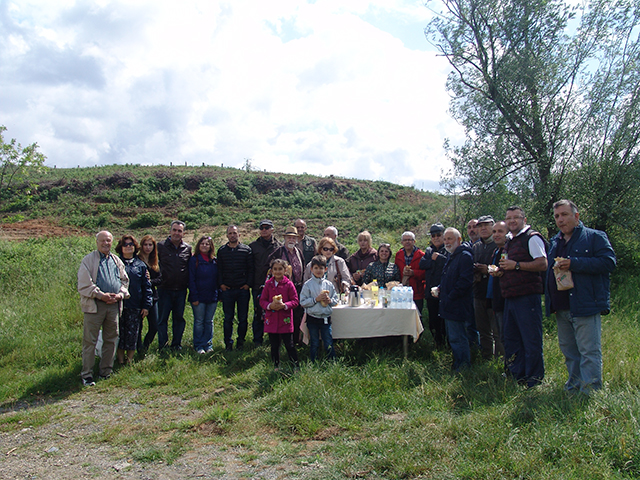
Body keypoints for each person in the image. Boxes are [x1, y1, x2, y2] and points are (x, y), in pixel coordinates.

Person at [545, 200, 616, 393]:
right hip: (562, 305)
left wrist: (574, 263)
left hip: (585, 303)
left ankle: (590, 391)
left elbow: (608, 262)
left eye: (565, 214)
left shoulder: (594, 237)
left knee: (589, 351)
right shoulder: (555, 242)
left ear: (576, 216)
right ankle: (574, 388)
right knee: (569, 351)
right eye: (557, 216)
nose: (561, 219)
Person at [499, 206, 548, 387]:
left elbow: (542, 264)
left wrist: (516, 265)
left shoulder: (532, 238)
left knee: (530, 339)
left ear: (524, 219)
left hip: (527, 297)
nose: (512, 221)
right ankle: (517, 375)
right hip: (510, 296)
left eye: (516, 218)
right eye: (509, 218)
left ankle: (534, 380)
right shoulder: (510, 240)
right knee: (512, 338)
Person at [77, 231, 129, 386]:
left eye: (109, 241)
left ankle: (106, 371)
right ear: (97, 242)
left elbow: (124, 280)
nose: (106, 243)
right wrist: (101, 295)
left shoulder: (116, 260)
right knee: (90, 341)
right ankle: (87, 375)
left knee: (111, 339)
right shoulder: (88, 260)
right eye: (103, 241)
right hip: (95, 305)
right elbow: (84, 284)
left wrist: (120, 295)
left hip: (113, 305)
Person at [434, 228, 474, 370]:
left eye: (450, 239)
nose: (446, 242)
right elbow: (448, 278)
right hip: (448, 303)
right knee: (453, 337)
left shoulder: (464, 256)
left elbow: (464, 282)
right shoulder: (452, 255)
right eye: (445, 239)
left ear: (459, 239)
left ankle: (463, 366)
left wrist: (450, 297)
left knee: (458, 337)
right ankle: (458, 362)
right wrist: (440, 288)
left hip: (457, 304)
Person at [115, 235, 152, 365]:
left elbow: (147, 287)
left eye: (131, 244)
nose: (128, 246)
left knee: (133, 334)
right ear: (121, 248)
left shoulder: (140, 265)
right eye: (125, 244)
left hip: (135, 305)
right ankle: (119, 360)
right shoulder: (115, 263)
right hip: (118, 305)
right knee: (119, 334)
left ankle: (129, 360)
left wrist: (146, 306)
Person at [156, 220, 192, 351]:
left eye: (180, 231)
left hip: (181, 290)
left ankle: (177, 344)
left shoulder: (187, 248)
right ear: (170, 231)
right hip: (164, 289)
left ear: (183, 233)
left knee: (179, 319)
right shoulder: (160, 246)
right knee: (162, 319)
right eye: (175, 230)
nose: (177, 233)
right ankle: (163, 345)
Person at [217, 225, 253, 351]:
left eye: (235, 233)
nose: (232, 235)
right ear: (227, 235)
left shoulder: (246, 250)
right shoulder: (222, 251)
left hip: (242, 290)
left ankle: (241, 342)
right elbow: (219, 269)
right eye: (230, 233)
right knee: (228, 318)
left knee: (243, 318)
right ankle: (228, 343)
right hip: (228, 290)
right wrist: (221, 284)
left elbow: (250, 269)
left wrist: (248, 284)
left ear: (239, 235)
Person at [259, 258, 300, 370]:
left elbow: (295, 301)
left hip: (285, 319)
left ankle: (295, 365)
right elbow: (262, 300)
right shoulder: (268, 284)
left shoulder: (289, 284)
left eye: (280, 269)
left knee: (289, 345)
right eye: (275, 269)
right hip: (272, 320)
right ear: (271, 271)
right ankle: (276, 366)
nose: (277, 272)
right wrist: (269, 306)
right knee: (274, 345)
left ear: (285, 270)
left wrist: (285, 305)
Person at [473, 215, 504, 360]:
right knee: (483, 329)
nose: (483, 228)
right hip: (478, 292)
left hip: (495, 293)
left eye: (486, 225)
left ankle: (500, 359)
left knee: (497, 330)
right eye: (480, 226)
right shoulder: (476, 246)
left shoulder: (499, 245)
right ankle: (487, 357)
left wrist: (488, 269)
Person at [269, 226, 305, 344]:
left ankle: (295, 340)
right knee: (282, 315)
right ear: (284, 238)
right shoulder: (279, 251)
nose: (291, 240)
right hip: (282, 288)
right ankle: (280, 341)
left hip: (297, 287)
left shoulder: (298, 252)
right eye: (289, 237)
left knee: (296, 315)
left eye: (293, 238)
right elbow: (269, 266)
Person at [300, 255, 339, 361]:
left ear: (325, 269)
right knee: (315, 342)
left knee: (328, 341)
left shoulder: (329, 285)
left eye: (321, 268)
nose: (318, 270)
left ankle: (332, 361)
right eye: (316, 268)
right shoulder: (308, 285)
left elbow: (336, 300)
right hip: (312, 317)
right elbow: (302, 302)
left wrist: (330, 301)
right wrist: (315, 299)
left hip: (325, 317)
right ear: (311, 269)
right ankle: (314, 361)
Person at [249, 219, 281, 346]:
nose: (264, 230)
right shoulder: (253, 246)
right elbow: (250, 267)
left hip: (274, 286)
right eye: (262, 228)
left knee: (274, 311)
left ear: (272, 229)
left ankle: (273, 338)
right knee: (258, 312)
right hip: (258, 284)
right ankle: (257, 339)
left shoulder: (278, 246)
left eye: (267, 227)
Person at [419, 223, 448, 348]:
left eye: (439, 235)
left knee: (445, 321)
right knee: (433, 320)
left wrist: (439, 259)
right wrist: (434, 261)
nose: (436, 238)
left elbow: (449, 264)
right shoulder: (429, 250)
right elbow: (422, 264)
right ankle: (438, 343)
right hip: (431, 292)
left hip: (444, 291)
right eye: (433, 235)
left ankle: (447, 345)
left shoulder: (448, 249)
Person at [188, 236, 219, 354]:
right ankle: (198, 345)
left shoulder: (214, 261)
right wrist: (194, 296)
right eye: (202, 243)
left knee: (209, 321)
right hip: (198, 296)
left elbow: (217, 278)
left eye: (207, 244)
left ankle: (208, 344)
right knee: (199, 321)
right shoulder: (194, 260)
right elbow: (191, 279)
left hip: (212, 295)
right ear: (198, 245)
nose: (205, 246)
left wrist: (218, 294)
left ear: (211, 246)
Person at [137, 234, 162, 351]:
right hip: (139, 297)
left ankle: (145, 346)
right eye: (145, 245)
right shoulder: (137, 260)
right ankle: (137, 347)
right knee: (138, 325)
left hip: (153, 297)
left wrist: (149, 281)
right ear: (141, 246)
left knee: (155, 325)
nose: (148, 247)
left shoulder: (155, 261)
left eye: (150, 245)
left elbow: (160, 279)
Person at [487, 221, 508, 348]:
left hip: (506, 299)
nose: (496, 235)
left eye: (500, 231)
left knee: (507, 335)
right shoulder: (496, 251)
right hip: (495, 298)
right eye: (494, 232)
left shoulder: (508, 250)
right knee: (500, 333)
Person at [394, 231, 426, 312]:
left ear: (414, 241)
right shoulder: (399, 255)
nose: (407, 242)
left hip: (417, 292)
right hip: (402, 292)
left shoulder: (421, 255)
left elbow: (426, 273)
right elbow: (396, 271)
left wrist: (413, 273)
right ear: (402, 242)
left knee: (417, 315)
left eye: (410, 240)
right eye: (405, 240)